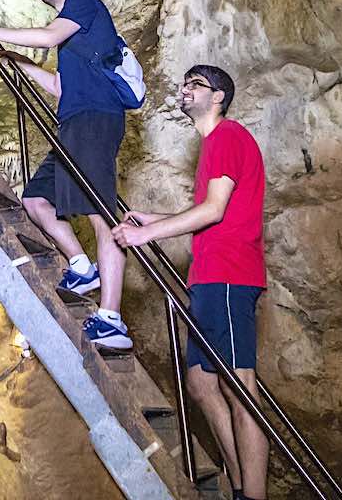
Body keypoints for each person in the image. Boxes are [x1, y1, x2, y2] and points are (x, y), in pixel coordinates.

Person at [0, 0, 132, 349]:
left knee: (101, 216)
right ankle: (82, 266)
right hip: (72, 122)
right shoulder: (75, 41)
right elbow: (60, 87)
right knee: (36, 201)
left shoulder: (83, 2)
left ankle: (111, 319)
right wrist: (19, 63)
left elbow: (49, 37)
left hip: (95, 120)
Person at [112, 65, 268, 500]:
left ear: (218, 97)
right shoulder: (212, 147)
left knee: (240, 387)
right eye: (185, 82)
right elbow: (214, 214)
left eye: (196, 84)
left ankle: (252, 495)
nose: (185, 89)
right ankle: (237, 485)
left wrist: (146, 234)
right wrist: (154, 218)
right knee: (201, 383)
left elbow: (214, 211)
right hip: (209, 278)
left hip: (230, 277)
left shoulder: (228, 136)